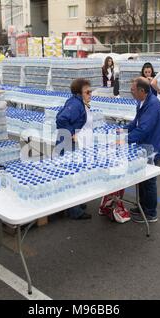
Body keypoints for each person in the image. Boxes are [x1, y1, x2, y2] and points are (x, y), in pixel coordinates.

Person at [122, 77, 160, 223]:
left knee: (148, 179)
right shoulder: (142, 101)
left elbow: (143, 129)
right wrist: (121, 131)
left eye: (133, 90)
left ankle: (150, 213)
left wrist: (123, 140)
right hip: (146, 144)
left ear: (142, 91)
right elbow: (136, 122)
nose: (131, 92)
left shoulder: (152, 104)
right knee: (142, 177)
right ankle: (143, 207)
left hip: (154, 145)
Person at [55, 78, 94, 220]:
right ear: (79, 93)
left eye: (91, 91)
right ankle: (74, 211)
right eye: (87, 92)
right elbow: (61, 119)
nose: (90, 94)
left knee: (72, 173)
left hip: (67, 141)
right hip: (66, 142)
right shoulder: (76, 105)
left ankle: (74, 205)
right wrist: (70, 133)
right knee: (71, 175)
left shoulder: (78, 102)